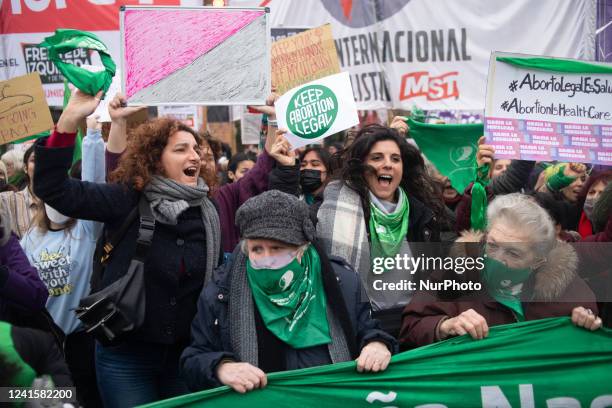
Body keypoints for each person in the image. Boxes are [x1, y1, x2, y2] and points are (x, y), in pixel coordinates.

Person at [33, 89, 222, 407]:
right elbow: (52, 188)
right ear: (154, 159)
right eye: (181, 149)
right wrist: (68, 120)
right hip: (126, 357)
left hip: (185, 357)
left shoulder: (208, 210)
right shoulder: (125, 199)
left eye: (196, 150)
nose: (195, 157)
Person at [181, 190, 396, 393]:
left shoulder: (342, 282)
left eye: (277, 247)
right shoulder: (222, 291)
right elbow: (193, 359)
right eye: (257, 249)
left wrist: (376, 344)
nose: (267, 259)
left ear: (302, 249)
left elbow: (369, 329)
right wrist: (222, 367)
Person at [400, 193, 601, 349]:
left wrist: (584, 323)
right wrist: (445, 326)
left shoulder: (567, 289)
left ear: (539, 260)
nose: (496, 259)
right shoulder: (457, 271)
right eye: (493, 245)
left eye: (513, 253)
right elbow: (410, 327)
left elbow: (589, 348)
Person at [316, 124, 442, 336]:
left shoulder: (424, 216)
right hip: (363, 329)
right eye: (376, 158)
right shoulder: (337, 210)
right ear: (361, 166)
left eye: (395, 159)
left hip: (413, 328)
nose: (387, 165)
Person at [21, 115, 105, 408]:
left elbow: (95, 183)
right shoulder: (29, 239)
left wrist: (93, 136)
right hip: (46, 346)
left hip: (85, 341)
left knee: (91, 401)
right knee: (57, 403)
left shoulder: (86, 229)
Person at [455, 137, 536, 233]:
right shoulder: (483, 191)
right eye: (499, 167)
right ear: (490, 172)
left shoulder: (529, 195)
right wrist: (481, 179)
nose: (504, 169)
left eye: (508, 167)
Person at [0, 145, 40, 238]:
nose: (40, 164)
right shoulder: (8, 200)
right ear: (25, 168)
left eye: (45, 160)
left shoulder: (65, 199)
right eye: (34, 160)